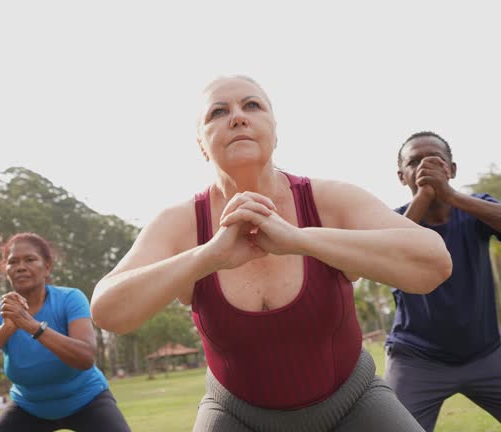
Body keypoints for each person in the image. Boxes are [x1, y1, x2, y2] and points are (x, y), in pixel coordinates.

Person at [90, 76, 453, 431]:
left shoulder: (329, 200)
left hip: (354, 403)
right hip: (235, 415)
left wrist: (300, 240)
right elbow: (108, 311)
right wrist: (209, 256)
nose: (237, 116)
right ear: (201, 143)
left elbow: (434, 264)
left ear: (275, 131)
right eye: (218, 112)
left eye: (252, 105)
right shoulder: (180, 224)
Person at [384, 131, 501, 431]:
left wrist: (450, 196)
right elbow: (387, 250)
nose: (425, 168)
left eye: (434, 161)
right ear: (401, 176)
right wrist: (425, 195)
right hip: (416, 360)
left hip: (485, 354)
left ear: (452, 170)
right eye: (415, 162)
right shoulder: (394, 221)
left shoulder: (476, 210)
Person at [0, 232, 130, 432]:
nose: (21, 266)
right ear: (6, 270)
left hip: (87, 399)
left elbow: (86, 357)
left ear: (47, 267)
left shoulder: (70, 299)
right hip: (29, 407)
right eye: (13, 262)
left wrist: (32, 326)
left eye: (30, 259)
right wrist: (4, 331)